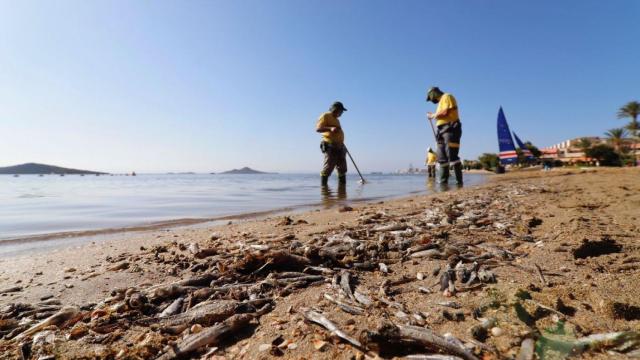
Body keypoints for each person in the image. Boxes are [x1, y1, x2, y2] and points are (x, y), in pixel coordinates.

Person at [426, 87, 463, 185]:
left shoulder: (447, 96)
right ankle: (443, 185)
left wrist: (433, 115)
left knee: (452, 155)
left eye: (431, 98)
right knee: (441, 157)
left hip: (450, 128)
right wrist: (434, 115)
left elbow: (446, 112)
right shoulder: (440, 103)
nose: (432, 101)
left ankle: (459, 184)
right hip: (441, 131)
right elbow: (440, 114)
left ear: (433, 93)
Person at [316, 101, 348, 185]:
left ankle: (342, 192)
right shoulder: (325, 116)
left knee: (342, 168)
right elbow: (318, 129)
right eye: (341, 111)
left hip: (340, 146)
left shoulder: (337, 120)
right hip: (330, 145)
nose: (342, 113)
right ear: (336, 109)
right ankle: (324, 190)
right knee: (328, 167)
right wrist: (330, 129)